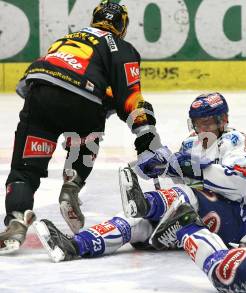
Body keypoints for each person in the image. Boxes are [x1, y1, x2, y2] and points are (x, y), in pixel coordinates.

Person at [0, 1, 160, 254]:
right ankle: (72, 186)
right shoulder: (120, 46)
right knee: (89, 130)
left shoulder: (68, 38)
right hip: (83, 103)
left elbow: (24, 86)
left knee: (24, 170)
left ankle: (16, 221)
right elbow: (130, 98)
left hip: (40, 94)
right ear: (123, 26)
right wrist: (145, 134)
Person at [34, 92, 246, 262]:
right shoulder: (192, 143)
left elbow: (240, 182)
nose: (203, 128)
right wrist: (162, 166)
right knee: (136, 225)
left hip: (234, 215)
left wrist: (191, 168)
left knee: (183, 196)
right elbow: (184, 174)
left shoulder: (238, 141)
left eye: (209, 122)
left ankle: (146, 204)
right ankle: (74, 246)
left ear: (223, 120)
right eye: (199, 123)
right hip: (195, 218)